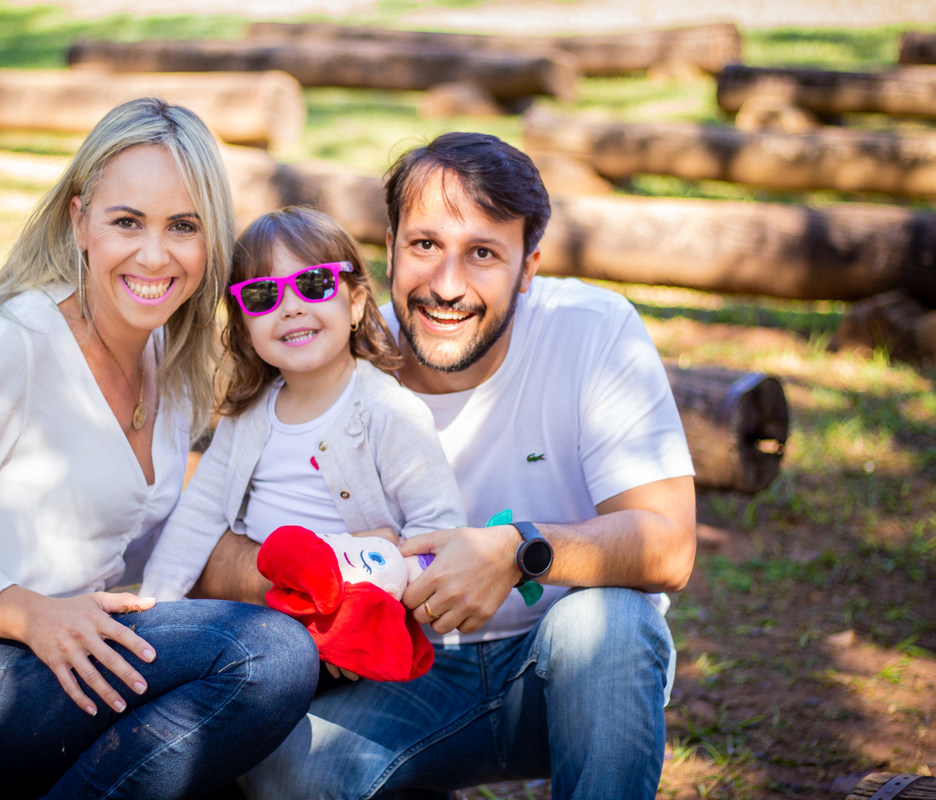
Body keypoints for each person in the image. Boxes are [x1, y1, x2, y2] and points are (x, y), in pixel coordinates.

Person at [0, 98, 318, 800]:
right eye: (127, 222)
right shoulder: (15, 343)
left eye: (184, 226)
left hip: (61, 672)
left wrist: (319, 571)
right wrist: (29, 612)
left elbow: (153, 552)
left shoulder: (170, 362)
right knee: (267, 657)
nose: (154, 255)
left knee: (248, 712)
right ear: (79, 220)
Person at [193, 132, 698, 800]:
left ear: (528, 267)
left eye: (483, 253)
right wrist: (321, 573)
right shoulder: (330, 352)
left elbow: (669, 544)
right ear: (391, 249)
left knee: (611, 626)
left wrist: (517, 550)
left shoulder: (593, 330)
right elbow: (206, 537)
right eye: (425, 245)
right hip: (397, 675)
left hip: (557, 671)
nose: (447, 285)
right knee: (290, 771)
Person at [140, 207, 464, 632]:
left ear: (356, 303)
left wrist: (375, 578)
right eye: (262, 295)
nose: (291, 307)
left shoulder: (389, 412)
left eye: (314, 284)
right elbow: (198, 515)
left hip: (350, 629)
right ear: (243, 326)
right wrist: (152, 608)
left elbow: (439, 528)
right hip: (254, 619)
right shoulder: (249, 417)